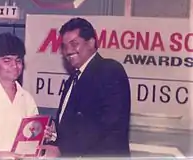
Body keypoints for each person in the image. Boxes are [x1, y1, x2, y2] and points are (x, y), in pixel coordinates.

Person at [41, 17, 131, 158]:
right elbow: (75, 125)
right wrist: (54, 134)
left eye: (74, 43)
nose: (68, 51)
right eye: (64, 46)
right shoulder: (72, 79)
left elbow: (107, 124)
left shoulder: (110, 70)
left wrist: (62, 149)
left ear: (91, 42)